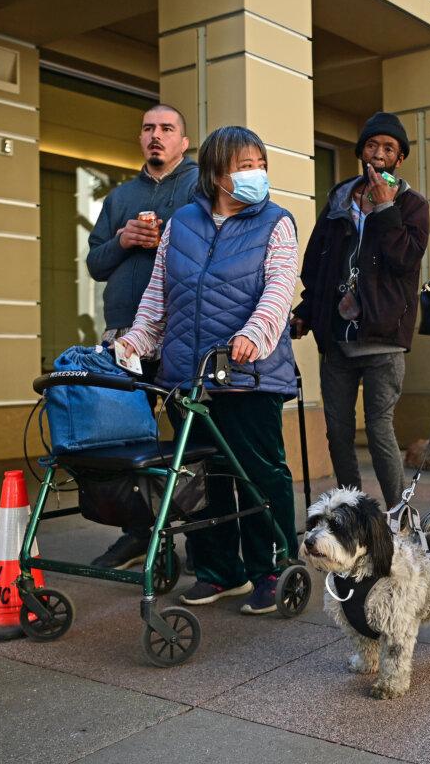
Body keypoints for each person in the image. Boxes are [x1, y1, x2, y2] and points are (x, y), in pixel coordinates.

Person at [116, 125, 299, 614]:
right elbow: (159, 297)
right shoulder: (181, 224)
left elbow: (279, 291)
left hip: (249, 374)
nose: (256, 174)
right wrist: (134, 340)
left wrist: (253, 336)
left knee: (259, 473)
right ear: (217, 173)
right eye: (245, 166)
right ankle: (220, 571)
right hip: (186, 375)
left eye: (260, 164)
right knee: (204, 478)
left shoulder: (276, 222)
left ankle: (272, 568)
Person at [291, 113, 429, 506]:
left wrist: (386, 210)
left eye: (389, 148)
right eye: (373, 146)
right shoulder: (339, 199)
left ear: (400, 158)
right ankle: (352, 512)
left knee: (380, 428)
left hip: (383, 339)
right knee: (337, 430)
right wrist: (307, 309)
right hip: (337, 339)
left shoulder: (412, 205)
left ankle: (400, 517)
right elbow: (318, 264)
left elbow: (406, 261)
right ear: (361, 152)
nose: (380, 154)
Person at [85, 104, 198, 571]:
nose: (157, 136)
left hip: (177, 332)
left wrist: (166, 236)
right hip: (124, 336)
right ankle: (138, 535)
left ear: (183, 142)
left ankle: (203, 543)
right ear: (140, 139)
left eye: (167, 129)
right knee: (128, 440)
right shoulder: (120, 198)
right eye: (149, 129)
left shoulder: (198, 187)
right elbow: (96, 264)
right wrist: (124, 241)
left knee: (193, 438)